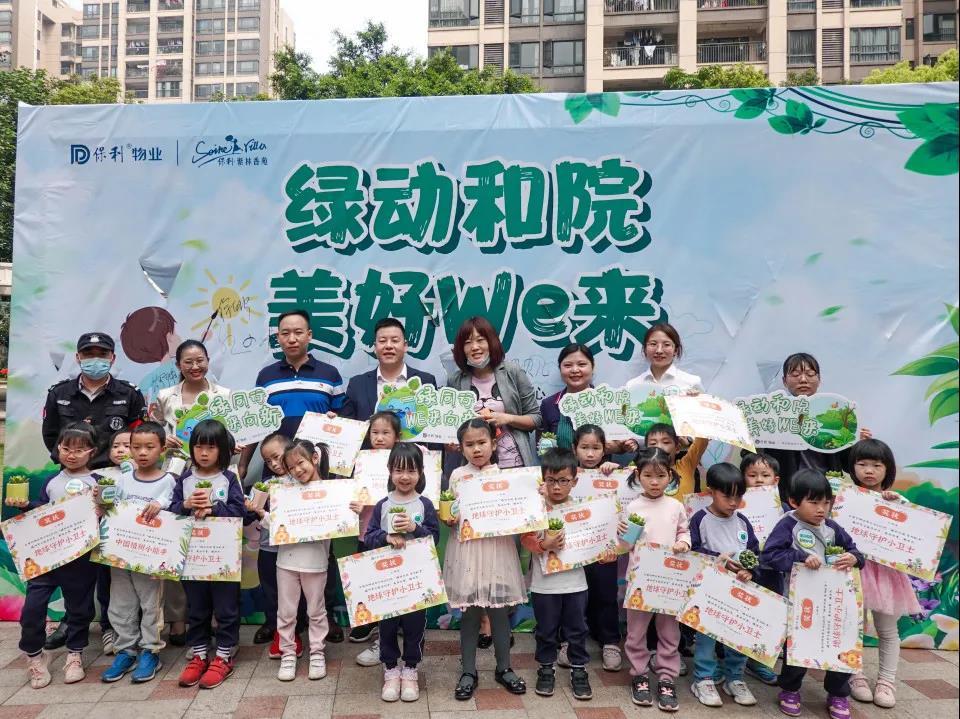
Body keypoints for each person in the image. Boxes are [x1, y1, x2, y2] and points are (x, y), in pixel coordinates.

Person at [239, 309, 346, 643]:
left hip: (314, 475)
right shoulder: (266, 376)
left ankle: (325, 619)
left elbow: (344, 422)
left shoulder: (330, 374)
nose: (292, 338)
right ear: (278, 337)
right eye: (285, 333)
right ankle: (277, 621)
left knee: (321, 547)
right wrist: (242, 465)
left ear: (309, 335)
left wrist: (336, 422)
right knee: (273, 547)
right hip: (275, 475)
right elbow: (255, 423)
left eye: (298, 332)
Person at [761, 469, 865, 719]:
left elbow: (856, 552)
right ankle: (790, 689)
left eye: (826, 503)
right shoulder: (788, 525)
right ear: (794, 501)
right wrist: (800, 557)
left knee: (839, 643)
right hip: (800, 602)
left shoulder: (832, 528)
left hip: (834, 601)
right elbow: (770, 555)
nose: (821, 509)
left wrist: (854, 558)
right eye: (814, 502)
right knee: (799, 645)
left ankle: (838, 693)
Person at [9, 423, 101, 689]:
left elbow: (107, 515)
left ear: (92, 452)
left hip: (80, 559)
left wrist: (102, 508)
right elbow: (42, 511)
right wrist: (26, 506)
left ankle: (75, 654)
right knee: (32, 609)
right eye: (66, 448)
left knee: (79, 608)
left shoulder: (98, 482)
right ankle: (35, 656)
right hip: (45, 559)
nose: (72, 455)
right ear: (57, 449)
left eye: (79, 450)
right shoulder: (51, 481)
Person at [441, 419, 527, 700]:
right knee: (470, 612)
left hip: (497, 550)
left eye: (482, 442)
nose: (476, 449)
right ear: (460, 447)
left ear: (493, 443)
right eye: (469, 444)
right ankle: (468, 671)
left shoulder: (505, 476)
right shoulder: (457, 476)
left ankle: (504, 667)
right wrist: (449, 518)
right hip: (467, 551)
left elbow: (519, 511)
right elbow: (451, 514)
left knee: (499, 610)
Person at [154, 339, 230, 645]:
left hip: (215, 476)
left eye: (200, 360)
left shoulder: (224, 396)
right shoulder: (165, 397)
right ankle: (177, 619)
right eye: (188, 362)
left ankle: (215, 617)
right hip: (177, 474)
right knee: (177, 545)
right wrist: (164, 440)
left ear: (208, 361)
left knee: (215, 543)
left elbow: (234, 435)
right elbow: (155, 434)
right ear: (178, 365)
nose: (195, 366)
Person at [359, 443, 440, 702]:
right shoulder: (382, 505)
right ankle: (391, 670)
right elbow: (368, 537)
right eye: (399, 470)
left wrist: (415, 530)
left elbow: (434, 539)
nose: (405, 477)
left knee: (415, 625)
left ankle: (411, 669)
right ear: (390, 471)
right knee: (388, 626)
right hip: (387, 580)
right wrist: (386, 537)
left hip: (416, 579)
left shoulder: (425, 504)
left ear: (421, 472)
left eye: (411, 471)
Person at [170, 420, 246, 690]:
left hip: (223, 557)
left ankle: (224, 655)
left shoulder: (229, 478)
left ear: (223, 450)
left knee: (226, 607)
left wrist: (214, 508)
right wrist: (186, 505)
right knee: (197, 607)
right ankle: (199, 654)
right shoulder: (185, 479)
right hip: (192, 557)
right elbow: (171, 510)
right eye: (199, 447)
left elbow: (241, 512)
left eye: (211, 448)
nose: (204, 453)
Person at [100, 422, 178, 685]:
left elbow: (176, 508)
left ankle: (150, 651)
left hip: (151, 557)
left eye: (149, 447)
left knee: (151, 604)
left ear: (163, 449)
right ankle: (125, 650)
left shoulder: (168, 481)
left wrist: (161, 504)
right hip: (120, 555)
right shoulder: (122, 479)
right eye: (136, 447)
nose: (142, 452)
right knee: (120, 603)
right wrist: (101, 503)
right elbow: (111, 509)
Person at [846, 439, 919, 709]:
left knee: (887, 629)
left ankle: (886, 682)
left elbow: (914, 529)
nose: (869, 470)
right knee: (851, 626)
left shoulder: (897, 500)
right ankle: (855, 676)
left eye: (877, 465)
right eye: (862, 464)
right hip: (853, 569)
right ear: (852, 467)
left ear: (887, 469)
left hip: (887, 574)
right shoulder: (844, 498)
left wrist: (898, 503)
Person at [619, 448, 690, 712]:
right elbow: (625, 546)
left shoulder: (675, 506)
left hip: (670, 581)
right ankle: (639, 674)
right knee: (636, 631)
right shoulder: (633, 507)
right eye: (648, 475)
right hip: (640, 580)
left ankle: (666, 677)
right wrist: (623, 535)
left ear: (669, 476)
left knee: (670, 631)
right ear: (638, 475)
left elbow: (684, 531)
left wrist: (683, 543)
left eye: (660, 476)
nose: (654, 481)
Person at [521, 447, 594, 701]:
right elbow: (526, 539)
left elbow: (595, 541)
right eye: (551, 480)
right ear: (543, 480)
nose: (556, 487)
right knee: (546, 630)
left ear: (574, 481)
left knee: (577, 629)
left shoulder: (584, 510)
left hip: (576, 584)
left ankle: (579, 670)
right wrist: (545, 545)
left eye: (563, 480)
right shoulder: (536, 509)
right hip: (544, 585)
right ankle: (546, 669)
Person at [688, 463, 760, 707]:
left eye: (738, 497)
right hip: (709, 590)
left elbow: (753, 551)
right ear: (711, 491)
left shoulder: (742, 522)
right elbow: (693, 551)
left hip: (739, 591)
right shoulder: (700, 519)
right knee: (706, 635)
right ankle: (703, 678)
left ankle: (735, 677)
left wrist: (749, 570)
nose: (733, 502)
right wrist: (718, 559)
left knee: (737, 634)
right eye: (727, 496)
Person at [555, 425, 621, 673]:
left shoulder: (612, 474)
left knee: (606, 594)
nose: (590, 454)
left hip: (605, 548)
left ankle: (610, 642)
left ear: (605, 450)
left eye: (596, 448)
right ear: (574, 449)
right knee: (572, 597)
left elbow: (635, 482)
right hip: (574, 549)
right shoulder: (568, 476)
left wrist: (617, 471)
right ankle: (568, 641)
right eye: (584, 447)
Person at [763, 353, 870, 503]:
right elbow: (752, 458)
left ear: (819, 379)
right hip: (786, 494)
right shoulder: (770, 413)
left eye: (810, 374)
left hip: (827, 492)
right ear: (784, 381)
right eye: (795, 374)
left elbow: (847, 463)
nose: (803, 379)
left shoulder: (835, 413)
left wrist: (859, 446)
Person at [42, 332, 147, 471]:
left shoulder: (130, 394)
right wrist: (71, 459)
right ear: (78, 357)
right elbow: (50, 435)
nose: (95, 360)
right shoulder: (59, 393)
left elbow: (140, 435)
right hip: (72, 472)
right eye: (88, 354)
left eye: (103, 354)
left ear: (112, 358)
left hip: (116, 471)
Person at [274, 439, 333, 682]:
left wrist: (354, 510)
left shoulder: (333, 491)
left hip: (316, 562)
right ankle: (288, 653)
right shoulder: (285, 492)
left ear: (314, 458)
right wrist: (262, 513)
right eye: (291, 468)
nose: (297, 470)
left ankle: (317, 652)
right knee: (286, 612)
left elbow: (344, 524)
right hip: (286, 561)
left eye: (301, 463)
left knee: (316, 610)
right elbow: (275, 525)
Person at [447, 316, 541, 469]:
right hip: (475, 468)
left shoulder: (512, 372)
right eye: (467, 343)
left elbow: (536, 419)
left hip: (514, 463)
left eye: (480, 340)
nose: (474, 347)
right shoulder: (455, 381)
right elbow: (452, 426)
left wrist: (507, 418)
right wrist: (451, 442)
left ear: (491, 342)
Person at [246, 433, 304, 652]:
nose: (273, 464)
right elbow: (250, 513)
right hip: (268, 547)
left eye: (276, 457)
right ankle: (273, 624)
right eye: (268, 461)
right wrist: (251, 506)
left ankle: (296, 627)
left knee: (297, 589)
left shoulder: (303, 480)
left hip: (296, 547)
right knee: (270, 588)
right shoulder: (265, 485)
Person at [354, 411, 403, 665]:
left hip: (398, 535)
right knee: (371, 582)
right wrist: (354, 503)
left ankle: (390, 637)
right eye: (375, 433)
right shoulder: (361, 461)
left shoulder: (405, 461)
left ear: (397, 437)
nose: (380, 438)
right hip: (368, 533)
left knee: (393, 585)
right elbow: (351, 493)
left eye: (386, 433)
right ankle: (375, 629)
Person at [738, 451, 783, 686]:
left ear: (776, 479)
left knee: (768, 613)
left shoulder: (783, 508)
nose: (758, 480)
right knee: (740, 610)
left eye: (765, 475)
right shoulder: (734, 504)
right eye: (752, 475)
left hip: (771, 571)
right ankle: (733, 658)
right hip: (742, 570)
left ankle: (759, 661)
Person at [340, 317, 439, 422]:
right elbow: (347, 425)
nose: (388, 346)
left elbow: (436, 423)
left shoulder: (426, 382)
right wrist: (332, 421)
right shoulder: (357, 385)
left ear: (405, 346)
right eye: (382, 341)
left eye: (395, 341)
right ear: (375, 347)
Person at [625, 323, 703, 393]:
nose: (659, 351)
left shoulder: (692, 383)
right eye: (653, 344)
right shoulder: (632, 386)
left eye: (666, 345)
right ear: (645, 349)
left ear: (675, 350)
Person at [645, 423, 708, 501]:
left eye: (665, 442)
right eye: (653, 443)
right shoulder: (641, 474)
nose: (659, 447)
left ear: (677, 448)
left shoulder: (686, 465)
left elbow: (702, 440)